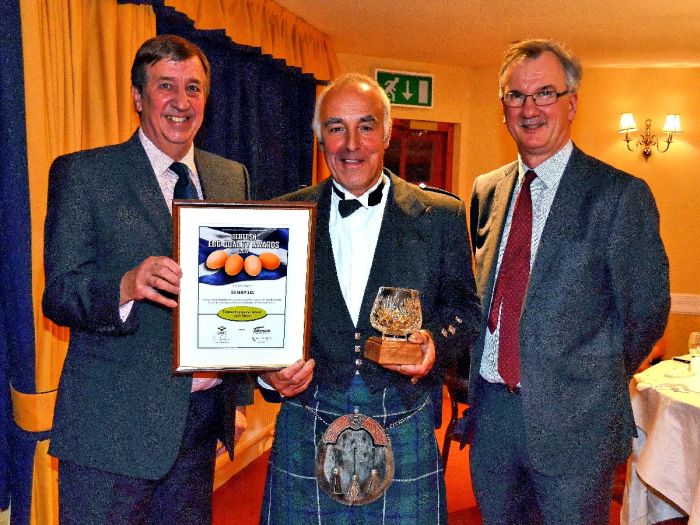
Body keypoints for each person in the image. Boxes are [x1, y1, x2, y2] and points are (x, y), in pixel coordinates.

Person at [42, 35, 253, 525]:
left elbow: (240, 294)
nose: (182, 102)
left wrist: (237, 397)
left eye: (194, 88)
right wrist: (124, 285)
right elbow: (59, 295)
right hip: (109, 435)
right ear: (138, 97)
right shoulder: (85, 174)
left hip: (198, 429)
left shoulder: (229, 178)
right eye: (166, 86)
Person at [257, 73, 481, 524]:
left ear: (387, 131)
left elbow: (465, 310)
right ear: (320, 139)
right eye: (336, 128)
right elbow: (259, 316)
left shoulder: (441, 216)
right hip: (308, 416)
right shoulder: (281, 216)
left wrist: (434, 344)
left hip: (403, 418)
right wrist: (266, 373)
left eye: (366, 126)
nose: (351, 144)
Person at [466, 39, 671, 524]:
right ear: (503, 108)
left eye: (545, 93)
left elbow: (646, 314)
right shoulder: (486, 190)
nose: (530, 108)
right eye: (516, 96)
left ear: (572, 102)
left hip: (578, 425)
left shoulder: (619, 196)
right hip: (492, 417)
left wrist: (586, 379)